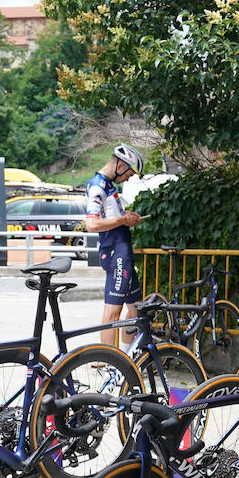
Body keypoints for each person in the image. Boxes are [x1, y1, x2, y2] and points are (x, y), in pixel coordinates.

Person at [85, 143, 146, 351]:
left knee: (137, 310)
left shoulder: (108, 185)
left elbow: (112, 217)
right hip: (115, 253)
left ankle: (128, 360)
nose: (129, 178)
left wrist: (126, 218)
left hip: (123, 251)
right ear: (120, 165)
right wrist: (122, 221)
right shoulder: (98, 186)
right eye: (129, 173)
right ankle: (111, 367)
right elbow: (91, 224)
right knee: (112, 313)